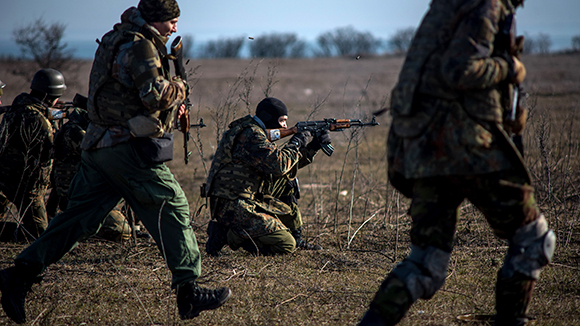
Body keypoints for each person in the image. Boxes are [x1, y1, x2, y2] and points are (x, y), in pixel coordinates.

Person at [0, 0, 230, 324]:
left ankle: (19, 275)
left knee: (76, 219)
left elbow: (127, 94)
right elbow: (153, 94)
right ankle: (188, 291)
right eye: (172, 22)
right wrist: (181, 89)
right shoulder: (141, 47)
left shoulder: (116, 37)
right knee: (173, 204)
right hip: (125, 148)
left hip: (97, 147)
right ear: (156, 19)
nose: (175, 28)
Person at [358, 0, 555, 325]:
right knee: (534, 239)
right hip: (469, 146)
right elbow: (459, 69)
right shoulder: (488, 4)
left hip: (423, 148)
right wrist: (510, 68)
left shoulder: (448, 6)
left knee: (426, 262)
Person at [203, 97, 328, 256]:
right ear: (269, 118)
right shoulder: (252, 134)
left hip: (243, 195)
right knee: (285, 245)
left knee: (287, 182)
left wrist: (313, 147)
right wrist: (296, 143)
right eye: (282, 120)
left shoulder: (252, 131)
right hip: (233, 204)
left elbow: (284, 169)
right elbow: (279, 164)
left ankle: (297, 238)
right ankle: (227, 234)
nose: (284, 126)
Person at [45, 105, 132, 242]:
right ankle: (82, 232)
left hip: (85, 195)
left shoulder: (83, 128)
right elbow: (103, 157)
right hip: (80, 199)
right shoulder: (76, 132)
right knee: (121, 230)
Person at [0, 69, 65, 241]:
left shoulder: (16, 109)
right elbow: (54, 149)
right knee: (37, 236)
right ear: (51, 95)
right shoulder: (37, 118)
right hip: (27, 186)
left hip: (6, 180)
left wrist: (52, 114)